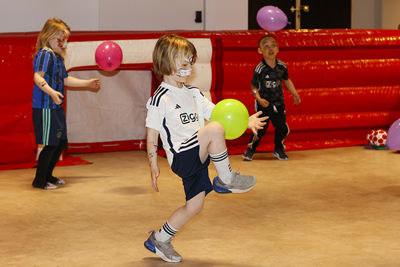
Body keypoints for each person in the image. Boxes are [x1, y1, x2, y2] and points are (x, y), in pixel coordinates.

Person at [144, 34, 267, 262]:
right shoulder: (160, 98)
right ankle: (226, 179)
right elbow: (152, 132)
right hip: (182, 156)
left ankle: (159, 239)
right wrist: (152, 163)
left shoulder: (194, 93)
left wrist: (246, 122)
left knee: (194, 207)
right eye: (184, 63)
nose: (189, 67)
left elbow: (218, 115)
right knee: (214, 130)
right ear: (167, 63)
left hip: (198, 159)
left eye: (191, 62)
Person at [32, 18, 100, 190]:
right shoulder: (45, 54)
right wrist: (52, 92)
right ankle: (39, 181)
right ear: (49, 36)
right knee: (50, 143)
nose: (64, 43)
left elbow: (65, 79)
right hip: (45, 106)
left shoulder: (57, 57)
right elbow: (37, 76)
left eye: (66, 40)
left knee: (61, 142)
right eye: (61, 39)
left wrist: (87, 83)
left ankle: (48, 176)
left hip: (55, 106)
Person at [243, 34, 301, 161]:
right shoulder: (260, 69)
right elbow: (253, 86)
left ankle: (279, 149)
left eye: (273, 45)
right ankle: (250, 149)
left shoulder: (282, 66)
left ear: (278, 49)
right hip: (264, 104)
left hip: (279, 103)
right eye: (266, 46)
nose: (270, 49)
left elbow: (287, 80)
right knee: (260, 130)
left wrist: (295, 94)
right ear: (260, 51)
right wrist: (258, 98)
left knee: (282, 128)